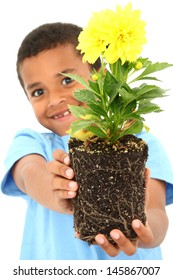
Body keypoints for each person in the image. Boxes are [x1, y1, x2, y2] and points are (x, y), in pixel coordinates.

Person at [1, 22, 173, 260]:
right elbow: (29, 174)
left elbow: (155, 211)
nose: (55, 99)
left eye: (67, 80)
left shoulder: (140, 143)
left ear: (100, 78)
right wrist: (56, 191)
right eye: (38, 92)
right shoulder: (33, 144)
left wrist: (145, 230)